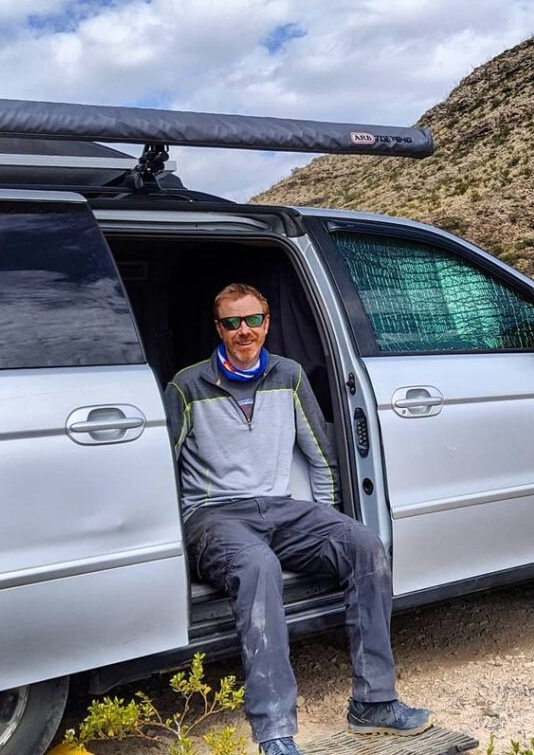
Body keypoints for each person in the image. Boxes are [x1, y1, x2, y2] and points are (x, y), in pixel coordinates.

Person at [165, 283, 434, 755]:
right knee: (258, 566)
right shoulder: (186, 386)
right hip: (214, 515)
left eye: (252, 320)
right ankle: (274, 731)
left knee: (363, 544)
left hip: (282, 507)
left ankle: (373, 703)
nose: (243, 330)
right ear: (218, 328)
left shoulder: (287, 375)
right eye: (232, 322)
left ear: (266, 324)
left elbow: (322, 455)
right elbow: (161, 467)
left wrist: (325, 524)